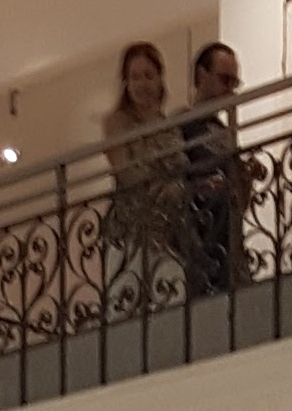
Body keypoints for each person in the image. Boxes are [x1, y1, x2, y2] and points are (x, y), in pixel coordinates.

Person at [101, 39, 179, 309]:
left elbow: (181, 171)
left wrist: (174, 186)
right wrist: (161, 182)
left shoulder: (169, 126)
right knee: (124, 304)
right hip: (128, 229)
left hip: (166, 230)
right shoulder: (116, 122)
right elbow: (125, 169)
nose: (141, 84)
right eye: (134, 77)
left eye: (148, 75)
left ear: (159, 79)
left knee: (172, 299)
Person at [177, 40, 251, 295]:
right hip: (198, 247)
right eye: (224, 79)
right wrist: (199, 187)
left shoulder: (223, 131)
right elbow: (172, 182)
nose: (229, 90)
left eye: (234, 83)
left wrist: (245, 176)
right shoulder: (181, 125)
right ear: (201, 75)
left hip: (229, 246)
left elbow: (241, 200)